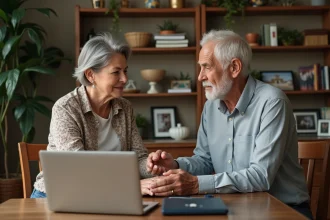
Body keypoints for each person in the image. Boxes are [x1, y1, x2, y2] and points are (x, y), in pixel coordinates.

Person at [146, 30, 312, 219]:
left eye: (207, 67)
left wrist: (195, 184)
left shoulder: (272, 102)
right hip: (235, 207)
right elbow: (205, 161)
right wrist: (174, 164)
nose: (200, 77)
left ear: (234, 67)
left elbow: (260, 176)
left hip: (284, 209)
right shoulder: (210, 107)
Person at [31, 33, 155, 198]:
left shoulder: (124, 107)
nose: (124, 79)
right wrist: (130, 186)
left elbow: (138, 157)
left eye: (125, 71)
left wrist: (151, 165)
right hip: (58, 196)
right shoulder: (66, 108)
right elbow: (79, 168)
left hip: (108, 194)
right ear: (90, 75)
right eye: (116, 72)